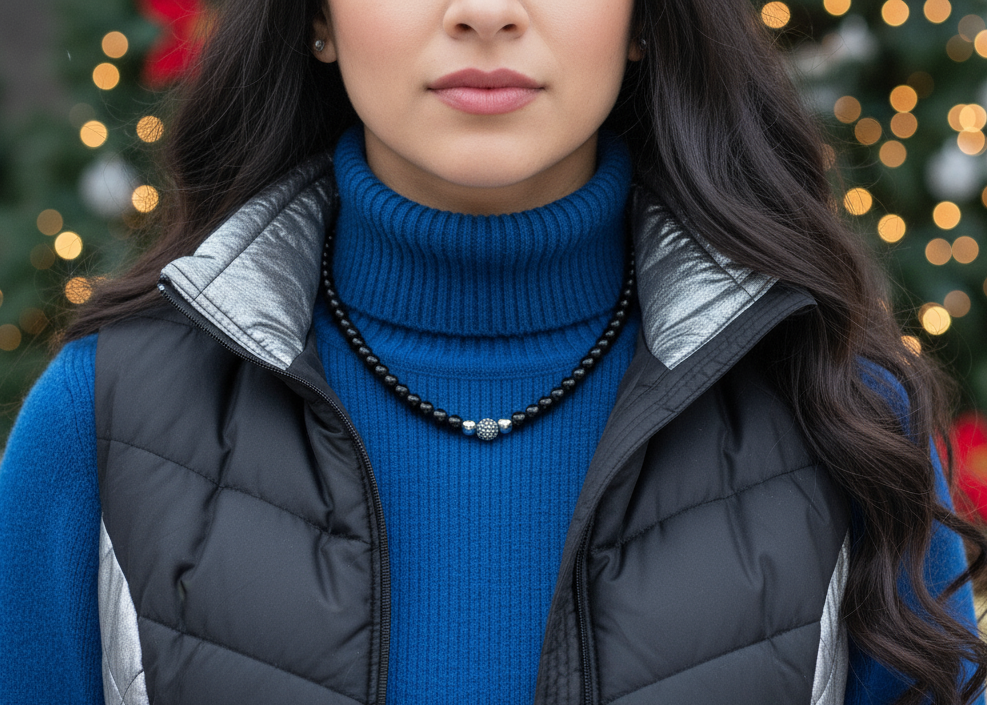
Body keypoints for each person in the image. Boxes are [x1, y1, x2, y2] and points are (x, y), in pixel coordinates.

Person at [1, 0, 985, 701]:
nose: (483, 12)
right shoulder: (102, 416)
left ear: (643, 19)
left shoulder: (843, 414)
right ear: (316, 18)